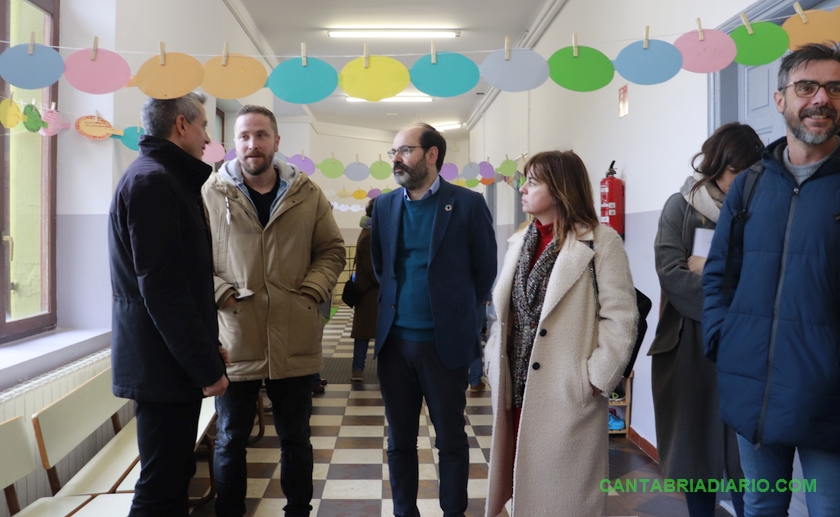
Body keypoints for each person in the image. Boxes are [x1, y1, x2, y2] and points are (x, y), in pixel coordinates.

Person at [703, 42, 840, 516]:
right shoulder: (751, 182)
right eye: (807, 86)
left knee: (829, 508)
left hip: (829, 393)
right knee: (761, 506)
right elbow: (720, 274)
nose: (821, 98)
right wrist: (724, 340)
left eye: (834, 88)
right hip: (753, 381)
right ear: (781, 99)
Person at [202, 105, 345, 517]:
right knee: (231, 438)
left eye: (261, 135)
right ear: (233, 142)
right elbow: (192, 259)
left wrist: (312, 292)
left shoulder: (307, 193)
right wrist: (221, 292)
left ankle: (298, 510)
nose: (253, 144)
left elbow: (331, 250)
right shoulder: (209, 194)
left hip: (293, 333)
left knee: (296, 436)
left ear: (277, 141)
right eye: (244, 136)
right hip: (235, 338)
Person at [484, 150, 638, 517]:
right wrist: (493, 358)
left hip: (567, 392)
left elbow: (621, 316)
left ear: (560, 189)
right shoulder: (520, 241)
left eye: (533, 182)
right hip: (517, 388)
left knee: (564, 497)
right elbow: (504, 311)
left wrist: (595, 379)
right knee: (522, 483)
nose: (522, 188)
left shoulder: (601, 242)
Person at [109, 92, 229, 517]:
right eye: (203, 127)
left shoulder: (165, 177)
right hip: (163, 366)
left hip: (170, 361)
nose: (206, 138)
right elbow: (162, 290)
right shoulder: (154, 181)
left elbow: (183, 284)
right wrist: (207, 367)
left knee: (176, 480)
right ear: (181, 125)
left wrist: (205, 348)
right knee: (160, 490)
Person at [370, 123, 497, 517]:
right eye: (393, 151)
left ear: (431, 155)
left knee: (451, 441)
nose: (396, 159)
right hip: (395, 344)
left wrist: (454, 311)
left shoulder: (468, 204)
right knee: (399, 442)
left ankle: (453, 512)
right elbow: (380, 266)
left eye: (405, 150)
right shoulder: (385, 206)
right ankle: (404, 511)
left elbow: (485, 271)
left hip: (445, 344)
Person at [650, 123, 763, 517]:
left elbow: (769, 276)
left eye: (750, 172)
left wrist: (708, 271)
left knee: (748, 453)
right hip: (689, 344)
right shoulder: (680, 206)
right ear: (715, 165)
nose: (741, 181)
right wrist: (731, 300)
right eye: (735, 171)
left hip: (747, 343)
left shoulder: (762, 208)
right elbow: (672, 273)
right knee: (696, 452)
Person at [350, 198, 378, 382]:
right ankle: (357, 369)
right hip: (370, 294)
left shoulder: (368, 232)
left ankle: (358, 369)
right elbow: (371, 268)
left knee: (365, 333)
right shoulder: (369, 236)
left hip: (369, 293)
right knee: (365, 334)